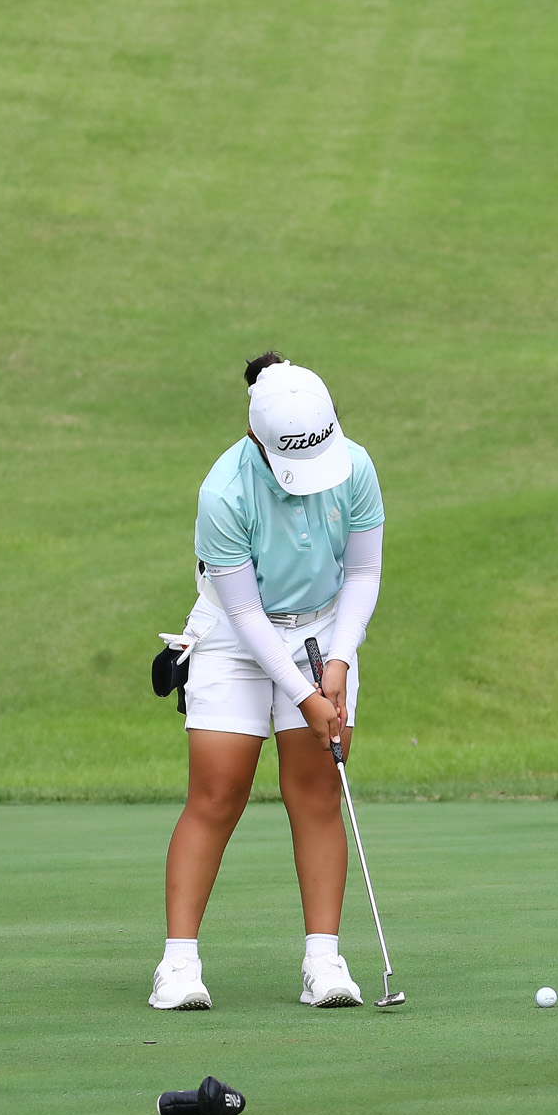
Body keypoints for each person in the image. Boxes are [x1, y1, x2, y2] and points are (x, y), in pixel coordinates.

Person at [148, 353, 386, 1011]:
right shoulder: (223, 491)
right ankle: (178, 964)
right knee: (218, 791)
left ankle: (324, 959)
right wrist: (306, 694)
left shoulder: (354, 466)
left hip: (323, 630)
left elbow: (362, 572)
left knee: (316, 790)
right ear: (258, 439)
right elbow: (247, 614)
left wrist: (337, 661)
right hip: (232, 634)